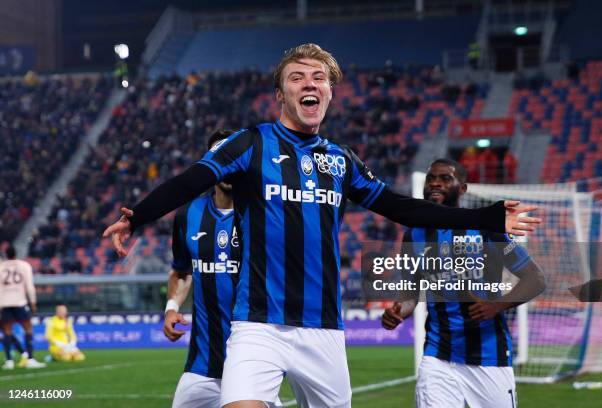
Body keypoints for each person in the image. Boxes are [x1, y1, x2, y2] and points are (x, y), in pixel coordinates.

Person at [103, 43, 541, 408]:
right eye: (297, 77)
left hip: (324, 330)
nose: (309, 83)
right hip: (258, 324)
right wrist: (136, 218)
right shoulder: (250, 144)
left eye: (319, 77)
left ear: (330, 92)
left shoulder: (341, 160)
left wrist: (486, 216)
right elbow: (191, 181)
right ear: (280, 93)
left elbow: (403, 208)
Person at [381, 158, 546, 408]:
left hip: (488, 357)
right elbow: (410, 292)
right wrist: (398, 311)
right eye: (431, 179)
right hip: (438, 357)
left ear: (463, 188)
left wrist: (497, 306)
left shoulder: (486, 229)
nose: (435, 183)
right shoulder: (413, 236)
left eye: (445, 178)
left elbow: (535, 278)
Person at [162, 129, 277, 407]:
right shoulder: (188, 214)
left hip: (252, 363)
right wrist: (171, 308)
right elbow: (182, 271)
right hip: (202, 366)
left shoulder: (265, 214)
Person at [0, 246, 46, 369]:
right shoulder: (24, 265)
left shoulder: (1, 267)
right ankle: (30, 359)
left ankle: (9, 361)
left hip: (4, 303)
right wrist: (33, 303)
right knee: (28, 330)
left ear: (6, 255)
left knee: (7, 332)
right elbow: (29, 286)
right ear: (16, 254)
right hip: (20, 302)